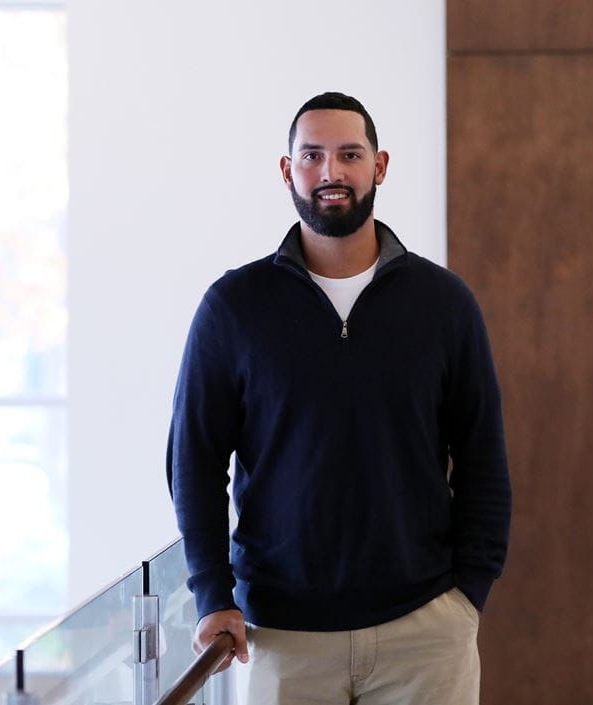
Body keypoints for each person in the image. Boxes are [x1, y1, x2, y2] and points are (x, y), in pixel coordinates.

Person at [166, 92, 511, 705]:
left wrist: (469, 593)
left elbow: (483, 455)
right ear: (287, 170)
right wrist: (212, 595)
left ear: (379, 167)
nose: (332, 172)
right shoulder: (234, 308)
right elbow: (193, 461)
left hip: (425, 632)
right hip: (284, 634)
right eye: (313, 156)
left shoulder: (444, 303)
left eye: (350, 155)